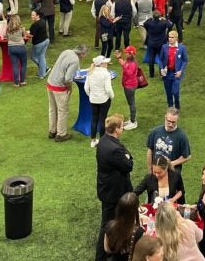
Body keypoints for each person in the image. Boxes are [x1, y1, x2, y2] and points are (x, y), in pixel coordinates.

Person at [97, 114, 134, 260]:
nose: (123, 128)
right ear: (117, 129)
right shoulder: (115, 149)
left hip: (106, 189)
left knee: (109, 222)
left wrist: (126, 155)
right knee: (107, 225)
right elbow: (129, 164)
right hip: (114, 192)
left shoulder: (103, 141)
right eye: (122, 126)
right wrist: (127, 156)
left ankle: (115, 249)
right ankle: (101, 256)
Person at [47, 44, 88, 141]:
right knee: (62, 110)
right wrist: (69, 88)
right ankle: (61, 134)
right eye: (85, 54)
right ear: (82, 54)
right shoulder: (75, 60)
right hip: (59, 86)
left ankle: (52, 131)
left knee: (53, 109)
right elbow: (68, 78)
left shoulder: (66, 51)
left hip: (50, 82)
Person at [146, 108, 192, 176]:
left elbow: (187, 156)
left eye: (173, 122)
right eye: (169, 121)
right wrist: (150, 170)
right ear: (165, 118)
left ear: (177, 120)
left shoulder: (181, 136)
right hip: (156, 172)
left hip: (172, 174)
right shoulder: (155, 132)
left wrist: (172, 163)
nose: (170, 124)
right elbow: (150, 151)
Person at [101, 191, 145, 261]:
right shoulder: (139, 232)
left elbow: (107, 249)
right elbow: (141, 255)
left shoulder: (109, 226)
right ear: (135, 211)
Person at [86, 55, 115, 148]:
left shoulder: (90, 72)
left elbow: (86, 88)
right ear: (101, 64)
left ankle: (93, 141)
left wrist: (91, 96)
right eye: (105, 62)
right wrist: (112, 96)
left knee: (94, 118)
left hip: (93, 100)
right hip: (104, 100)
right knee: (102, 119)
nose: (107, 63)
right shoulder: (105, 73)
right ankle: (102, 141)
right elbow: (108, 89)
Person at [158, 31, 188, 109]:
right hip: (167, 73)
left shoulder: (182, 48)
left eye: (172, 37)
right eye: (169, 37)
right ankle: (170, 107)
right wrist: (161, 68)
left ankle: (177, 106)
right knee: (168, 92)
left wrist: (181, 71)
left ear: (176, 38)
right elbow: (160, 60)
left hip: (176, 73)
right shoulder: (164, 47)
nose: (170, 39)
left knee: (175, 92)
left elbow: (185, 60)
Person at [116, 46, 140, 131]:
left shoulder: (132, 63)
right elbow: (124, 64)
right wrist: (119, 57)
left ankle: (133, 122)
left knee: (131, 103)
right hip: (127, 84)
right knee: (130, 103)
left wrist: (124, 66)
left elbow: (129, 73)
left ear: (131, 54)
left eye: (127, 52)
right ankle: (132, 120)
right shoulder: (128, 61)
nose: (125, 53)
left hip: (130, 86)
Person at [144, 11, 172, 77]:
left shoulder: (149, 22)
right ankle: (161, 73)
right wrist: (165, 19)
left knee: (151, 59)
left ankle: (151, 74)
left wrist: (151, 20)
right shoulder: (163, 22)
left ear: (153, 16)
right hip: (161, 43)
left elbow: (144, 24)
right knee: (162, 58)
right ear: (160, 16)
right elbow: (170, 25)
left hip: (151, 43)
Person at [6, 14, 28, 87]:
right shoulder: (21, 28)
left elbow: (7, 38)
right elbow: (24, 36)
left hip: (11, 48)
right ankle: (22, 81)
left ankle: (16, 83)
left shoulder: (8, 29)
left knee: (15, 65)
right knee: (23, 64)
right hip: (21, 47)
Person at [28, 9, 50, 79]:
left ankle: (43, 70)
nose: (31, 16)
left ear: (38, 16)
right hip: (46, 40)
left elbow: (31, 35)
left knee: (33, 56)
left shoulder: (35, 24)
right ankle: (44, 71)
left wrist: (25, 33)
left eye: (33, 15)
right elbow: (37, 31)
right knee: (41, 56)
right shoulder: (43, 21)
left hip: (39, 43)